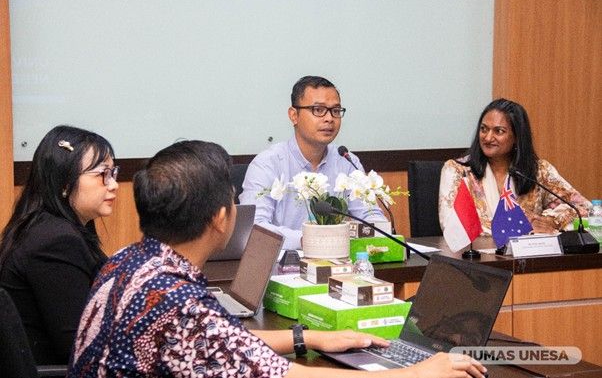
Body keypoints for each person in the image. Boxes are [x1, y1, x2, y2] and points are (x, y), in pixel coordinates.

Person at [68, 140, 486, 378]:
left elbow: (225, 342)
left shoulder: (130, 262)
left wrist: (309, 338)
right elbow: (284, 375)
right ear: (220, 217)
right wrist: (412, 374)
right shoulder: (180, 304)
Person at [0, 125, 119, 364]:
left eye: (113, 173)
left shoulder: (51, 227)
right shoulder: (55, 241)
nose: (113, 184)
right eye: (103, 174)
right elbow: (78, 346)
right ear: (64, 181)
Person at [239, 76, 385, 249]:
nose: (329, 118)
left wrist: (381, 234)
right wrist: (308, 239)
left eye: (335, 111)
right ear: (294, 115)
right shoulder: (267, 164)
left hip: (338, 260)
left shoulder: (347, 161)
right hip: (286, 263)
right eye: (318, 110)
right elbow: (255, 228)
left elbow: (371, 216)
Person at [439, 98, 591, 237]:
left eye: (499, 131)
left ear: (517, 137)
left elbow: (584, 207)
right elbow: (453, 225)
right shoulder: (458, 170)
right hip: (477, 255)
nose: (488, 137)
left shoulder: (538, 170)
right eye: (484, 129)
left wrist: (551, 221)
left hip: (529, 255)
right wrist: (524, 227)